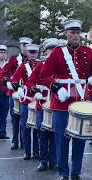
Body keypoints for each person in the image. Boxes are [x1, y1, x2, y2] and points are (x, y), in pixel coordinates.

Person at [39, 19, 92, 180]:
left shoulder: (88, 52)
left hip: (81, 100)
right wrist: (56, 88)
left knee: (80, 138)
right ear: (66, 34)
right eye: (72, 33)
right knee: (62, 140)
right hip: (61, 102)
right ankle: (63, 173)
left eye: (77, 33)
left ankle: (76, 172)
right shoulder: (58, 52)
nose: (75, 35)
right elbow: (44, 76)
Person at [26, 38, 58, 171]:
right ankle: (44, 161)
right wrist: (35, 90)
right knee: (42, 132)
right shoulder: (40, 65)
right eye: (50, 49)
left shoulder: (62, 65)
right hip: (42, 103)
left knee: (56, 134)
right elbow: (30, 82)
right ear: (46, 51)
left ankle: (54, 160)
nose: (53, 51)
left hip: (57, 104)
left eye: (55, 49)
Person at [8, 43, 40, 160]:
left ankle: (36, 151)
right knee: (25, 125)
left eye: (34, 52)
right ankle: (27, 151)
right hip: (27, 99)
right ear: (26, 53)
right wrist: (18, 88)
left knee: (37, 126)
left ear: (37, 53)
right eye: (30, 52)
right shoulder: (22, 66)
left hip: (38, 98)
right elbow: (14, 80)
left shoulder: (41, 65)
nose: (32, 55)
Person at [1, 37, 32, 150]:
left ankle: (25, 142)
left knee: (26, 118)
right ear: (20, 46)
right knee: (15, 118)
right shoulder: (13, 59)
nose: (25, 47)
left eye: (27, 45)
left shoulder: (32, 61)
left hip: (28, 93)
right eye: (23, 45)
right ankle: (15, 140)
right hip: (14, 92)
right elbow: (3, 73)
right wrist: (9, 83)